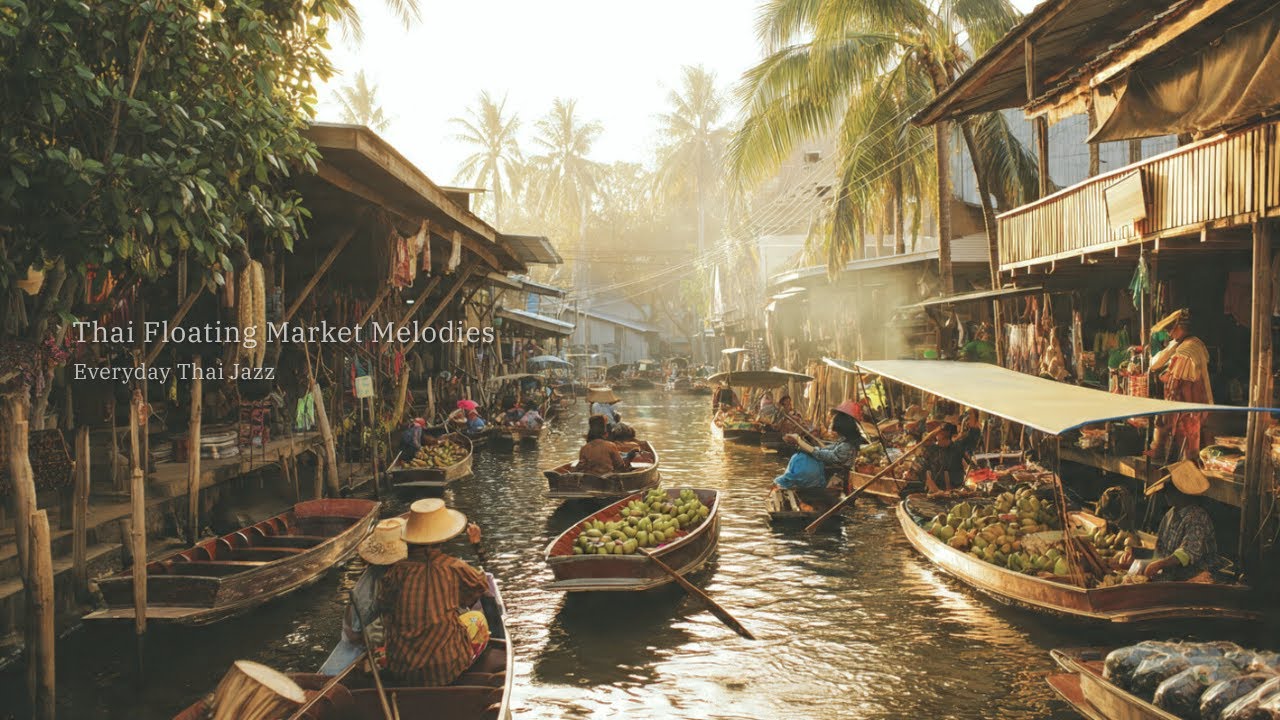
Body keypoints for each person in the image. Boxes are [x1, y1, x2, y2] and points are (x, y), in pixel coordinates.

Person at [378, 499, 491, 686]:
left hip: (401, 666)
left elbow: (384, 604)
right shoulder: (453, 567)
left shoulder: (396, 571)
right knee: (477, 618)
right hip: (446, 667)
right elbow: (482, 587)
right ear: (441, 539)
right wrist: (477, 545)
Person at [320, 517, 407, 674]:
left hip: (365, 636)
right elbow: (357, 633)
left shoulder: (380, 574)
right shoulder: (374, 584)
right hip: (361, 643)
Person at [1118, 465, 1217, 581]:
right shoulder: (1169, 515)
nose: (1165, 492)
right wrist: (1134, 553)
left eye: (1170, 488)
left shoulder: (1197, 517)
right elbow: (1161, 552)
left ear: (1182, 491)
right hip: (1169, 578)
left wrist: (1159, 564)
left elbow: (1187, 553)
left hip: (1192, 581)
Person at [1148, 311, 1213, 461]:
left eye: (1170, 330)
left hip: (1191, 403)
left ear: (1180, 328)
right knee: (1183, 439)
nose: (1169, 334)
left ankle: (1187, 467)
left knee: (1189, 444)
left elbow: (1179, 383)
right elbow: (1154, 364)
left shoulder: (1190, 347)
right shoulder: (1181, 344)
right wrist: (1172, 346)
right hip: (1189, 404)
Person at [774, 400, 868, 497]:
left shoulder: (847, 446)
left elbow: (825, 455)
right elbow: (823, 450)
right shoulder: (842, 443)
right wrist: (800, 443)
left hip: (837, 481)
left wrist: (800, 442)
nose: (831, 425)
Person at [909, 410, 982, 494]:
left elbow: (972, 439)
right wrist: (935, 490)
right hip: (935, 491)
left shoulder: (957, 448)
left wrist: (973, 417)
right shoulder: (932, 450)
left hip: (954, 490)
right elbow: (922, 471)